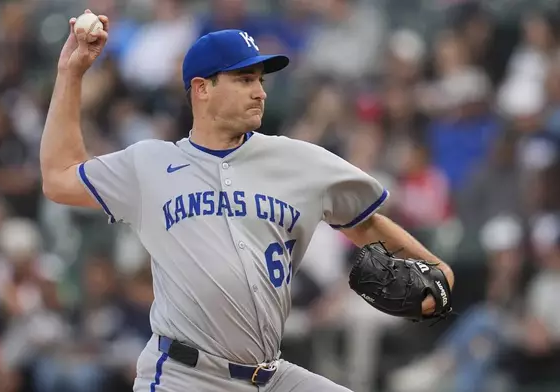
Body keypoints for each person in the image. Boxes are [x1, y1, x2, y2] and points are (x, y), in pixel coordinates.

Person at [39, 9, 455, 392]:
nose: (260, 92)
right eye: (243, 80)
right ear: (202, 89)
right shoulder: (149, 164)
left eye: (260, 80)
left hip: (270, 376)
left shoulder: (299, 160)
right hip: (184, 377)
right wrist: (71, 72)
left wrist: (439, 270)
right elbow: (59, 178)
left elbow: (365, 223)